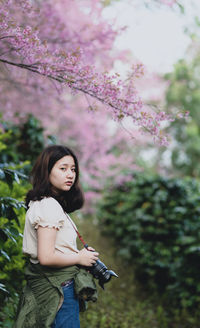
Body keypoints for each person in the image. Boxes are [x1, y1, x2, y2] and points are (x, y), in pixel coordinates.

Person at [14, 145, 99, 328]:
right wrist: (79, 257)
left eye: (73, 169)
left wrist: (79, 254)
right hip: (59, 288)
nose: (70, 174)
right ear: (47, 171)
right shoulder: (48, 206)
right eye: (63, 168)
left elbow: (54, 249)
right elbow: (46, 257)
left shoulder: (47, 203)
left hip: (56, 286)